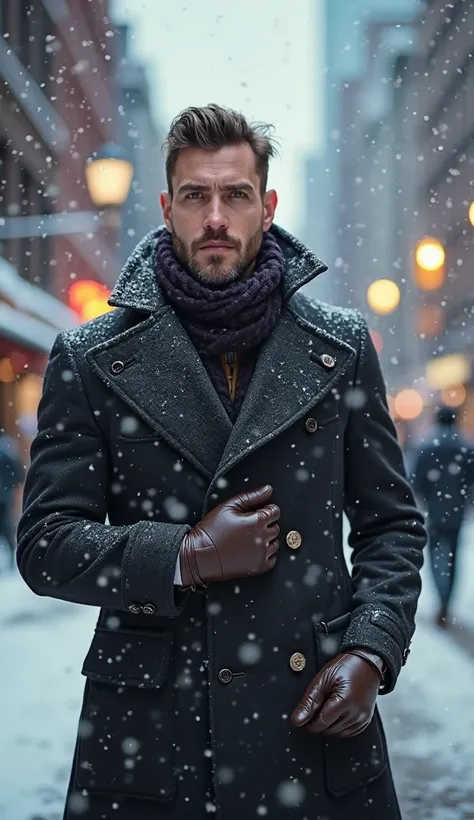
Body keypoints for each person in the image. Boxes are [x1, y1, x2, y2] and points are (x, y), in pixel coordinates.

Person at [18, 104, 426, 820]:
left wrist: (371, 650)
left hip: (311, 717)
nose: (215, 217)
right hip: (155, 733)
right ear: (166, 206)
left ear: (265, 206)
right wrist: (187, 554)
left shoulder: (340, 347)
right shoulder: (91, 358)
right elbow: (46, 544)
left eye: (235, 195)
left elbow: (391, 526)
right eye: (196, 195)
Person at [412, 405, 474, 627]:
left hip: (435, 512)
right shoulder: (465, 447)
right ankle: (447, 601)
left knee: (437, 557)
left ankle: (441, 597)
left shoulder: (427, 447)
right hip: (456, 512)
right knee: (454, 558)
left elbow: (416, 481)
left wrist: (425, 500)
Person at [0, 429, 23, 570]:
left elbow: (17, 474)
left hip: (4, 495)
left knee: (6, 525)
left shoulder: (6, 452)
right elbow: (17, 474)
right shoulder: (8, 451)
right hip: (5, 494)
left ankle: (10, 555)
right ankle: (9, 555)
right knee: (6, 525)